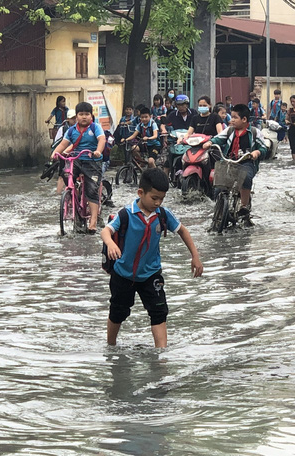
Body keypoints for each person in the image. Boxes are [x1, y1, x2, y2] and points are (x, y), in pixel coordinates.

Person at [102, 168, 203, 347]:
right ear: (141, 193)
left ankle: (161, 355)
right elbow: (106, 231)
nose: (158, 202)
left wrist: (195, 256)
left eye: (161, 199)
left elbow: (182, 231)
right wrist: (110, 244)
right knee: (118, 312)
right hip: (123, 274)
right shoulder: (126, 214)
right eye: (154, 198)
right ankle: (110, 345)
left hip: (151, 274)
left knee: (159, 312)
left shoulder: (163, 215)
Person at [202, 104, 267, 219]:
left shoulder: (254, 132)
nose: (231, 120)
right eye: (231, 117)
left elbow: (263, 148)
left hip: (246, 162)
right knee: (218, 186)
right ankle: (220, 208)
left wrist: (257, 152)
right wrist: (210, 143)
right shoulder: (229, 131)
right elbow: (218, 138)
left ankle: (244, 205)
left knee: (246, 177)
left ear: (244, 119)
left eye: (235, 117)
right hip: (229, 161)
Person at [51, 101, 106, 233]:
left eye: (87, 114)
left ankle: (92, 222)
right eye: (81, 114)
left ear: (91, 116)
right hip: (76, 160)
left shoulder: (95, 128)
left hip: (92, 161)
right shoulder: (71, 130)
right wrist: (54, 153)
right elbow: (63, 144)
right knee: (65, 174)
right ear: (76, 116)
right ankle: (72, 195)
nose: (84, 117)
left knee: (92, 190)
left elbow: (102, 140)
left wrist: (98, 151)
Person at [160, 95, 196, 177]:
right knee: (168, 159)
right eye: (179, 105)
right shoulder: (173, 115)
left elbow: (197, 124)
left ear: (187, 104)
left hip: (190, 141)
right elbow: (164, 124)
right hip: (176, 141)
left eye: (183, 104)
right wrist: (164, 130)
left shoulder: (193, 113)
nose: (181, 107)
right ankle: (165, 179)